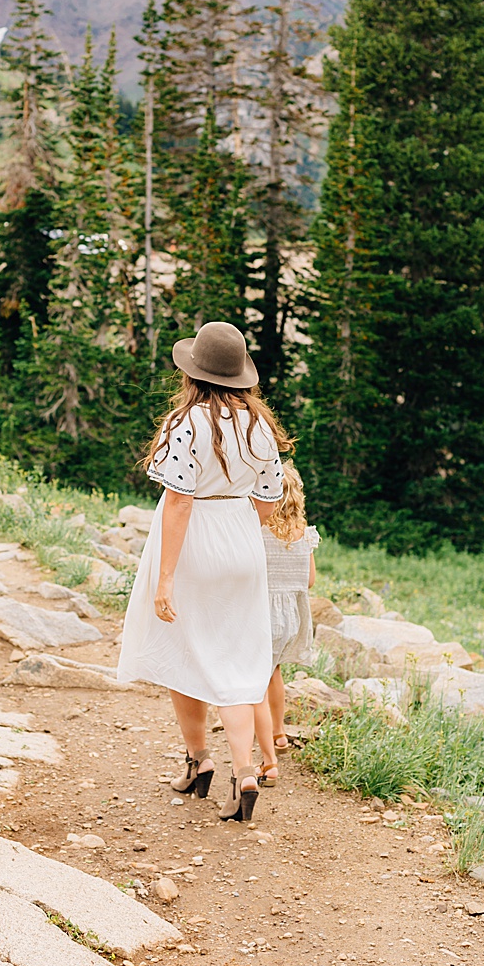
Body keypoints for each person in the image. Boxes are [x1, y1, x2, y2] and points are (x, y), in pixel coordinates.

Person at [115, 321, 289, 824]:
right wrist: (237, 528)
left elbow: (179, 502)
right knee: (235, 660)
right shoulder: (259, 426)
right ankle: (244, 772)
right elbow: (271, 498)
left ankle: (198, 759)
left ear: (193, 373)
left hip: (194, 545)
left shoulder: (185, 422)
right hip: (242, 539)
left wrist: (166, 577)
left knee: (182, 648)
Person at [253, 462, 319, 787]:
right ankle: (279, 733)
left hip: (259, 615)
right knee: (273, 672)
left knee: (254, 683)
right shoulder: (304, 534)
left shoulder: (258, 532)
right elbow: (309, 581)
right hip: (288, 619)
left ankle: (268, 762)